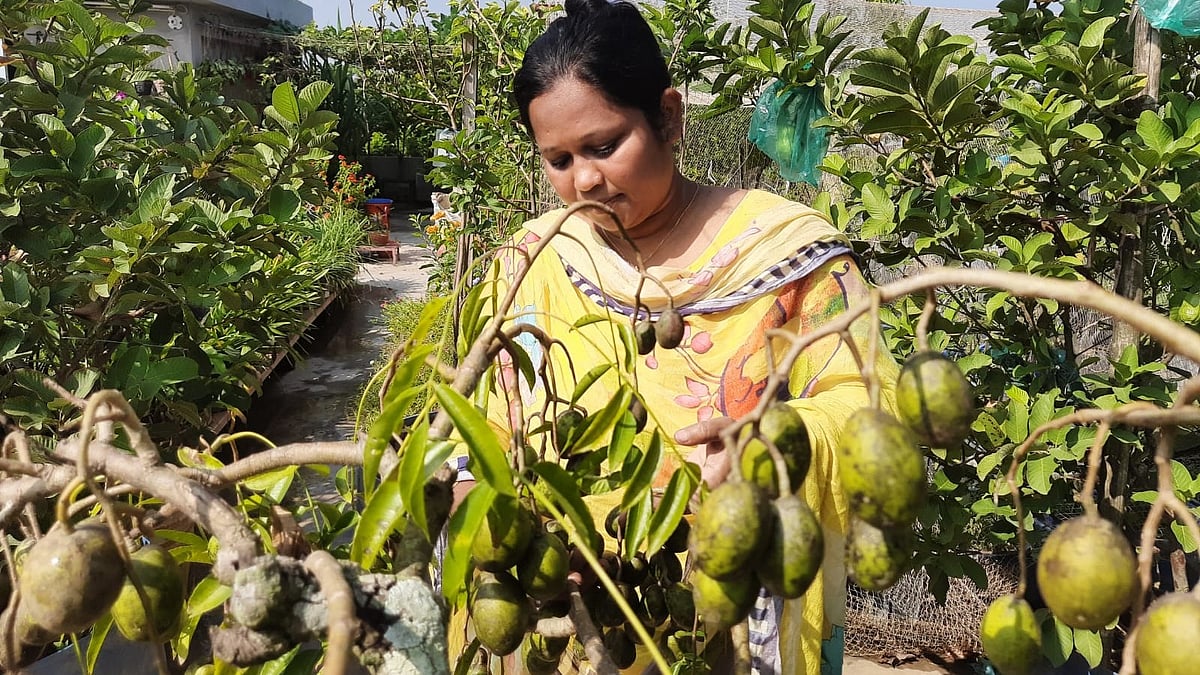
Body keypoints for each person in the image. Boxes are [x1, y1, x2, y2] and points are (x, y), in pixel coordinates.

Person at [451, 0, 899, 672]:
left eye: (604, 146)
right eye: (559, 158)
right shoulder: (532, 262)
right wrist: (477, 506)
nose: (584, 180)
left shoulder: (788, 253)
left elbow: (869, 407)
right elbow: (482, 429)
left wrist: (769, 439)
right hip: (569, 617)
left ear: (668, 115)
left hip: (730, 617)